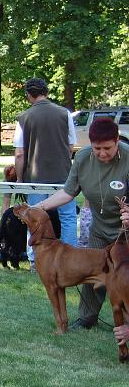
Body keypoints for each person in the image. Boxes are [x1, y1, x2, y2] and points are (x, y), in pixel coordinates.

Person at [30, 117, 129, 330]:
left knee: (125, 276)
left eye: (107, 148)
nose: (102, 153)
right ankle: (86, 318)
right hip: (100, 229)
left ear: (118, 140)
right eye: (97, 148)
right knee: (90, 273)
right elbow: (68, 192)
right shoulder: (83, 157)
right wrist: (41, 207)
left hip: (125, 234)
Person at [14, 78, 77, 270]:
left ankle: (36, 261)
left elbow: (20, 153)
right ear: (46, 92)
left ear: (28, 95)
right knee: (68, 218)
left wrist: (19, 178)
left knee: (33, 217)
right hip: (64, 176)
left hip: (36, 177)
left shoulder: (23, 117)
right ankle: (69, 260)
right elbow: (71, 145)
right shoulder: (64, 114)